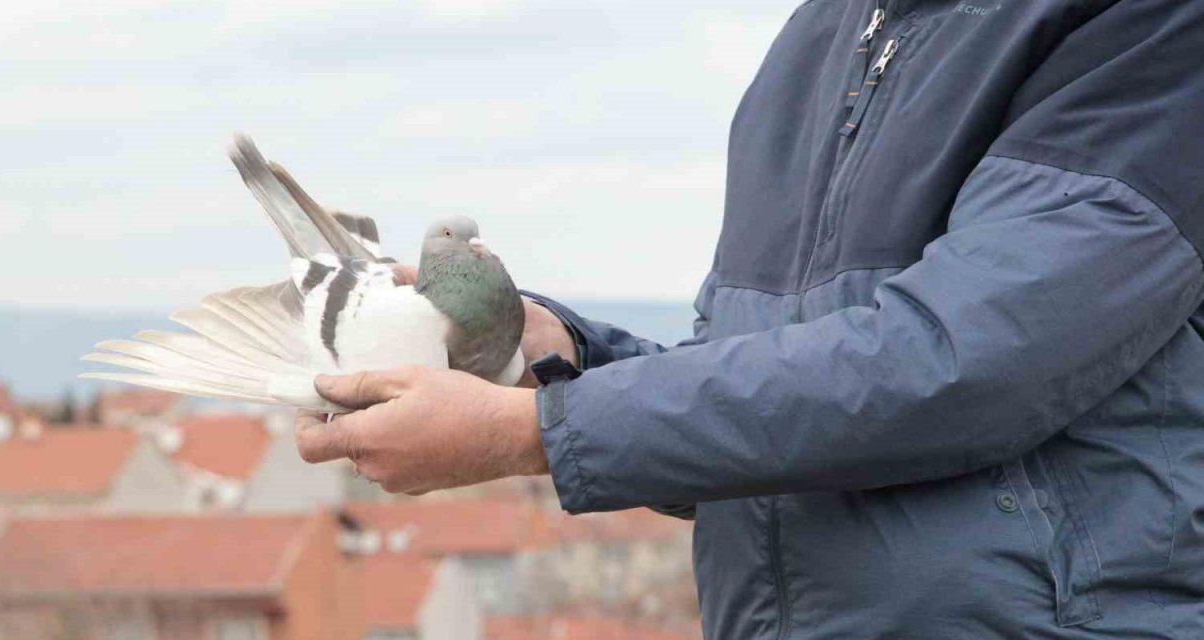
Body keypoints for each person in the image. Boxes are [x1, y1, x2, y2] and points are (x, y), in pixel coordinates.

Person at [294, 1, 1204, 638]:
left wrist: (533, 432)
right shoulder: (814, 43)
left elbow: (955, 362)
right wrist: (553, 355)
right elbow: (755, 423)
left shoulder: (1148, 23)